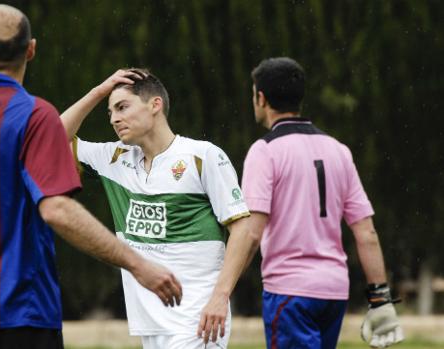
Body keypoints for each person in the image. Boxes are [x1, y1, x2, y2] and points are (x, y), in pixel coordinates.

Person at [0, 5, 182, 349]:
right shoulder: (34, 114)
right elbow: (56, 209)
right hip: (23, 310)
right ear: (31, 49)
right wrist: (137, 265)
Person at [59, 68, 253, 349]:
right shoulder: (114, 158)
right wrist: (99, 91)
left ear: (155, 105)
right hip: (150, 323)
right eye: (110, 112)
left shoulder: (203, 156)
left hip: (197, 318)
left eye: (123, 107)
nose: (114, 118)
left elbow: (242, 228)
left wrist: (220, 297)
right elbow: (52, 138)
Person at [236, 57, 404, 348]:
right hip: (334, 293)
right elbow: (367, 233)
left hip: (290, 291)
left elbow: (251, 232)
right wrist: (380, 298)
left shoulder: (265, 151)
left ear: (261, 98)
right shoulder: (338, 150)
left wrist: (221, 290)